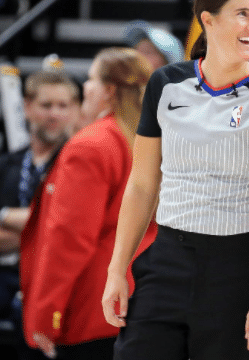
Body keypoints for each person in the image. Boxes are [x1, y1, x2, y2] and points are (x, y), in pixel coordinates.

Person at [102, 0, 249, 360]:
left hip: (238, 269)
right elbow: (142, 185)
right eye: (242, 13)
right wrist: (117, 270)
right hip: (167, 260)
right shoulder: (165, 83)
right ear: (208, 20)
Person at [19, 47, 157, 360]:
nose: (86, 88)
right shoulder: (149, 141)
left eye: (92, 80)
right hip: (143, 297)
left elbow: (70, 239)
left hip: (91, 306)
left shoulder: (91, 145)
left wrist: (46, 313)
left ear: (108, 90)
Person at [0, 70, 80, 358]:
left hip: (54, 282)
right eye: (46, 105)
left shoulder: (79, 163)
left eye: (63, 106)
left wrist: (4, 215)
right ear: (27, 107)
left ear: (75, 110)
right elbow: (45, 225)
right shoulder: (8, 164)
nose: (54, 114)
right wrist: (37, 228)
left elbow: (63, 226)